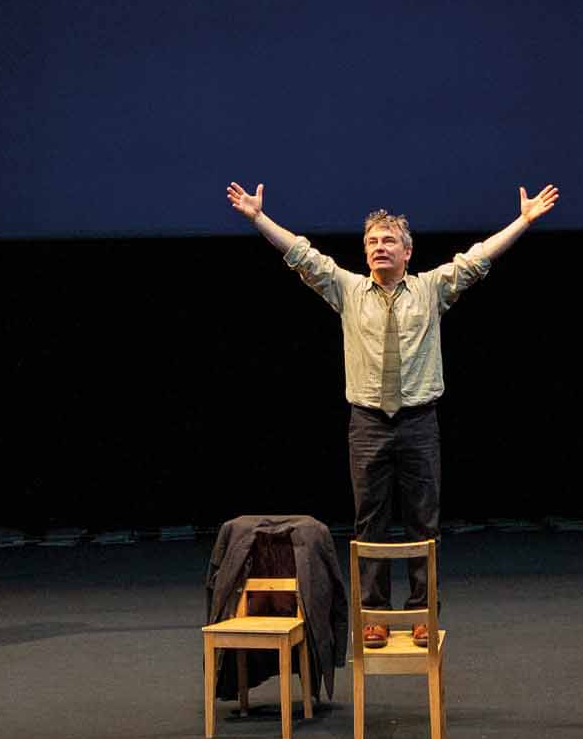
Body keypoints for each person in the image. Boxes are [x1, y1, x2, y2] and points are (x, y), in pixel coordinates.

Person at [226, 181, 558, 647]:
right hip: (367, 424)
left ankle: (422, 611)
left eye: (388, 241)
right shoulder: (348, 290)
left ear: (407, 251)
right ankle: (375, 615)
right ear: (365, 253)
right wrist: (258, 218)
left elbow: (479, 258)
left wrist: (523, 221)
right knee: (370, 524)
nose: (379, 248)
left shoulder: (430, 290)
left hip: (419, 422)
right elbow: (302, 255)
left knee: (425, 523)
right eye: (372, 242)